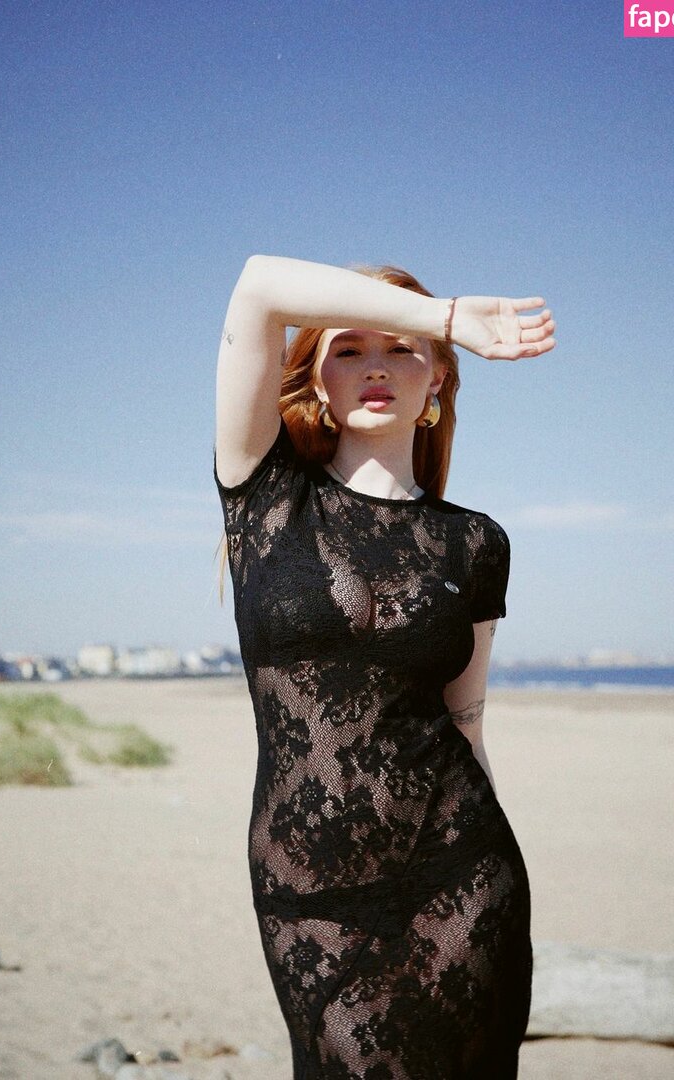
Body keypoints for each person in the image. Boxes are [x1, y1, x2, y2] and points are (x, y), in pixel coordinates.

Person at [213, 255, 556, 1079]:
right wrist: (442, 319)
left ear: (437, 381)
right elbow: (258, 286)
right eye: (350, 348)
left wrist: (429, 332)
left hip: (463, 873)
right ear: (315, 379)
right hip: (312, 895)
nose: (377, 366)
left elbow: (466, 722)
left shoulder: (476, 542)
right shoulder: (264, 493)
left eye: (401, 350)